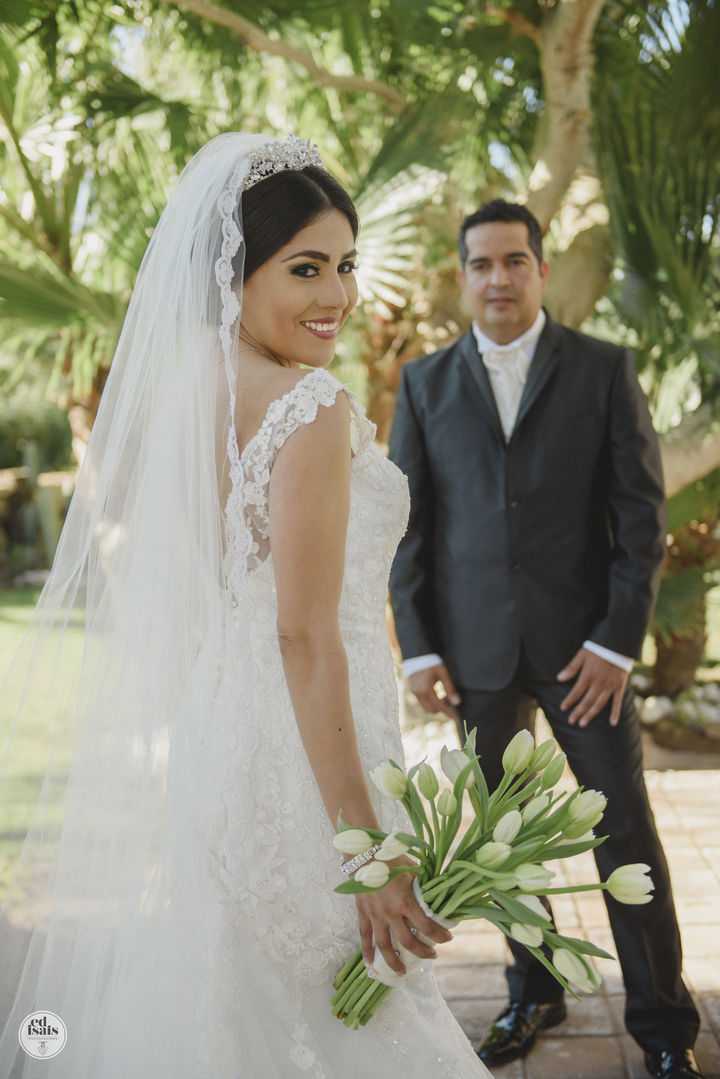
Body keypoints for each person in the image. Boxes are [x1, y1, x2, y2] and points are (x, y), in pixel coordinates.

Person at [0, 134, 490, 1077]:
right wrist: (368, 849)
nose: (336, 296)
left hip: (225, 732)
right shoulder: (308, 405)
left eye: (346, 266)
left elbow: (207, 584)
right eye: (304, 268)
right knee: (339, 1010)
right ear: (236, 272)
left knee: (227, 993)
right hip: (310, 756)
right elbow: (306, 637)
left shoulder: (190, 389)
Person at [388, 199, 703, 1079]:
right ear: (462, 277)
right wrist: (418, 645)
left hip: (585, 659)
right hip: (475, 656)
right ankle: (536, 989)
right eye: (482, 264)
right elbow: (411, 529)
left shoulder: (604, 369)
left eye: (515, 261)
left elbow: (642, 517)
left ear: (540, 268)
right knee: (503, 840)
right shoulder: (424, 383)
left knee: (625, 834)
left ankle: (665, 1026)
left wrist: (616, 641)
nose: (499, 278)